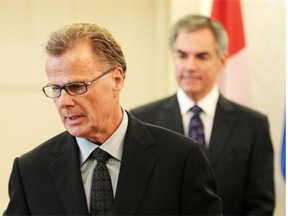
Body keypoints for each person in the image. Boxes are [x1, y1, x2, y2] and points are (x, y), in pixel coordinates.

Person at [4, 23, 222, 215]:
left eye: (76, 86)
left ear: (116, 80)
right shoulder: (31, 170)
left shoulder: (181, 158)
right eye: (56, 89)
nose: (64, 102)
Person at [130, 14, 275, 215]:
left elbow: (261, 207)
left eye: (202, 56)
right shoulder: (141, 120)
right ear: (173, 58)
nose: (190, 66)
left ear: (222, 61)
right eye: (182, 55)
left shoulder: (253, 125)